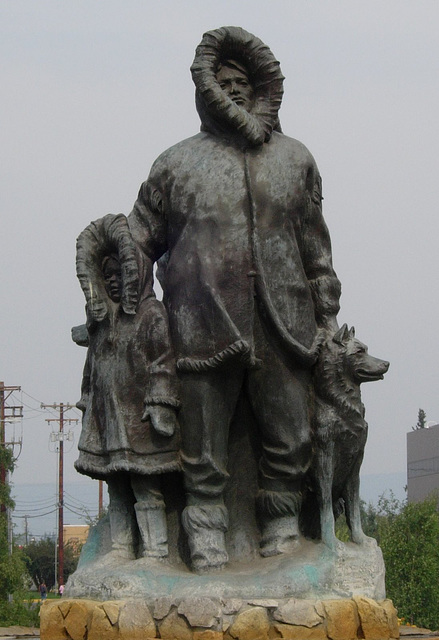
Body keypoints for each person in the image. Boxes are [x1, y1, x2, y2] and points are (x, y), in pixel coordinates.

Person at [76, 27, 341, 572]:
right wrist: (105, 290)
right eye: (223, 82)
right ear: (205, 90)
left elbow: (316, 245)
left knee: (289, 432)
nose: (234, 90)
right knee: (200, 442)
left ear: (260, 87)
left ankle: (283, 528)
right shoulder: (175, 164)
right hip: (199, 325)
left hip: (284, 320)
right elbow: (138, 241)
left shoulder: (296, 159)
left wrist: (327, 308)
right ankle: (205, 533)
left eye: (243, 81)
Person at [75, 215, 180, 562]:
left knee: (144, 484)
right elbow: (92, 367)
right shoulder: (101, 324)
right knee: (116, 485)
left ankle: (155, 549)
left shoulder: (151, 315)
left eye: (120, 274)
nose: (114, 282)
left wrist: (161, 402)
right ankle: (121, 547)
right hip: (107, 416)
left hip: (139, 416)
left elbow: (162, 361)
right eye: (107, 277)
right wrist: (87, 400)